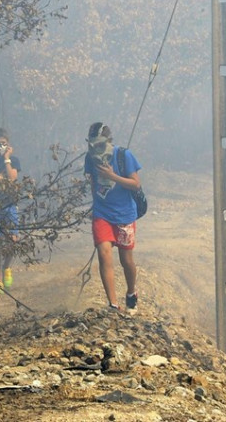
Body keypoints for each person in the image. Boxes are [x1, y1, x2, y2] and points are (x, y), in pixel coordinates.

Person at [84, 122, 142, 312]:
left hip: (124, 214)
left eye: (100, 145)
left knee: (126, 260)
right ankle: (113, 304)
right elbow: (92, 182)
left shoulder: (123, 155)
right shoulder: (90, 159)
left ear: (109, 141)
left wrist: (112, 175)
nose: (96, 149)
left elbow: (135, 184)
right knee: (104, 253)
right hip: (102, 213)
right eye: (92, 145)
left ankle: (131, 293)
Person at [0, 128, 21, 293]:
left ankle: (7, 267)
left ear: (8, 145)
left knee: (13, 240)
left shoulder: (13, 160)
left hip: (10, 205)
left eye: (4, 143)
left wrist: (6, 159)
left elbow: (13, 177)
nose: (0, 146)